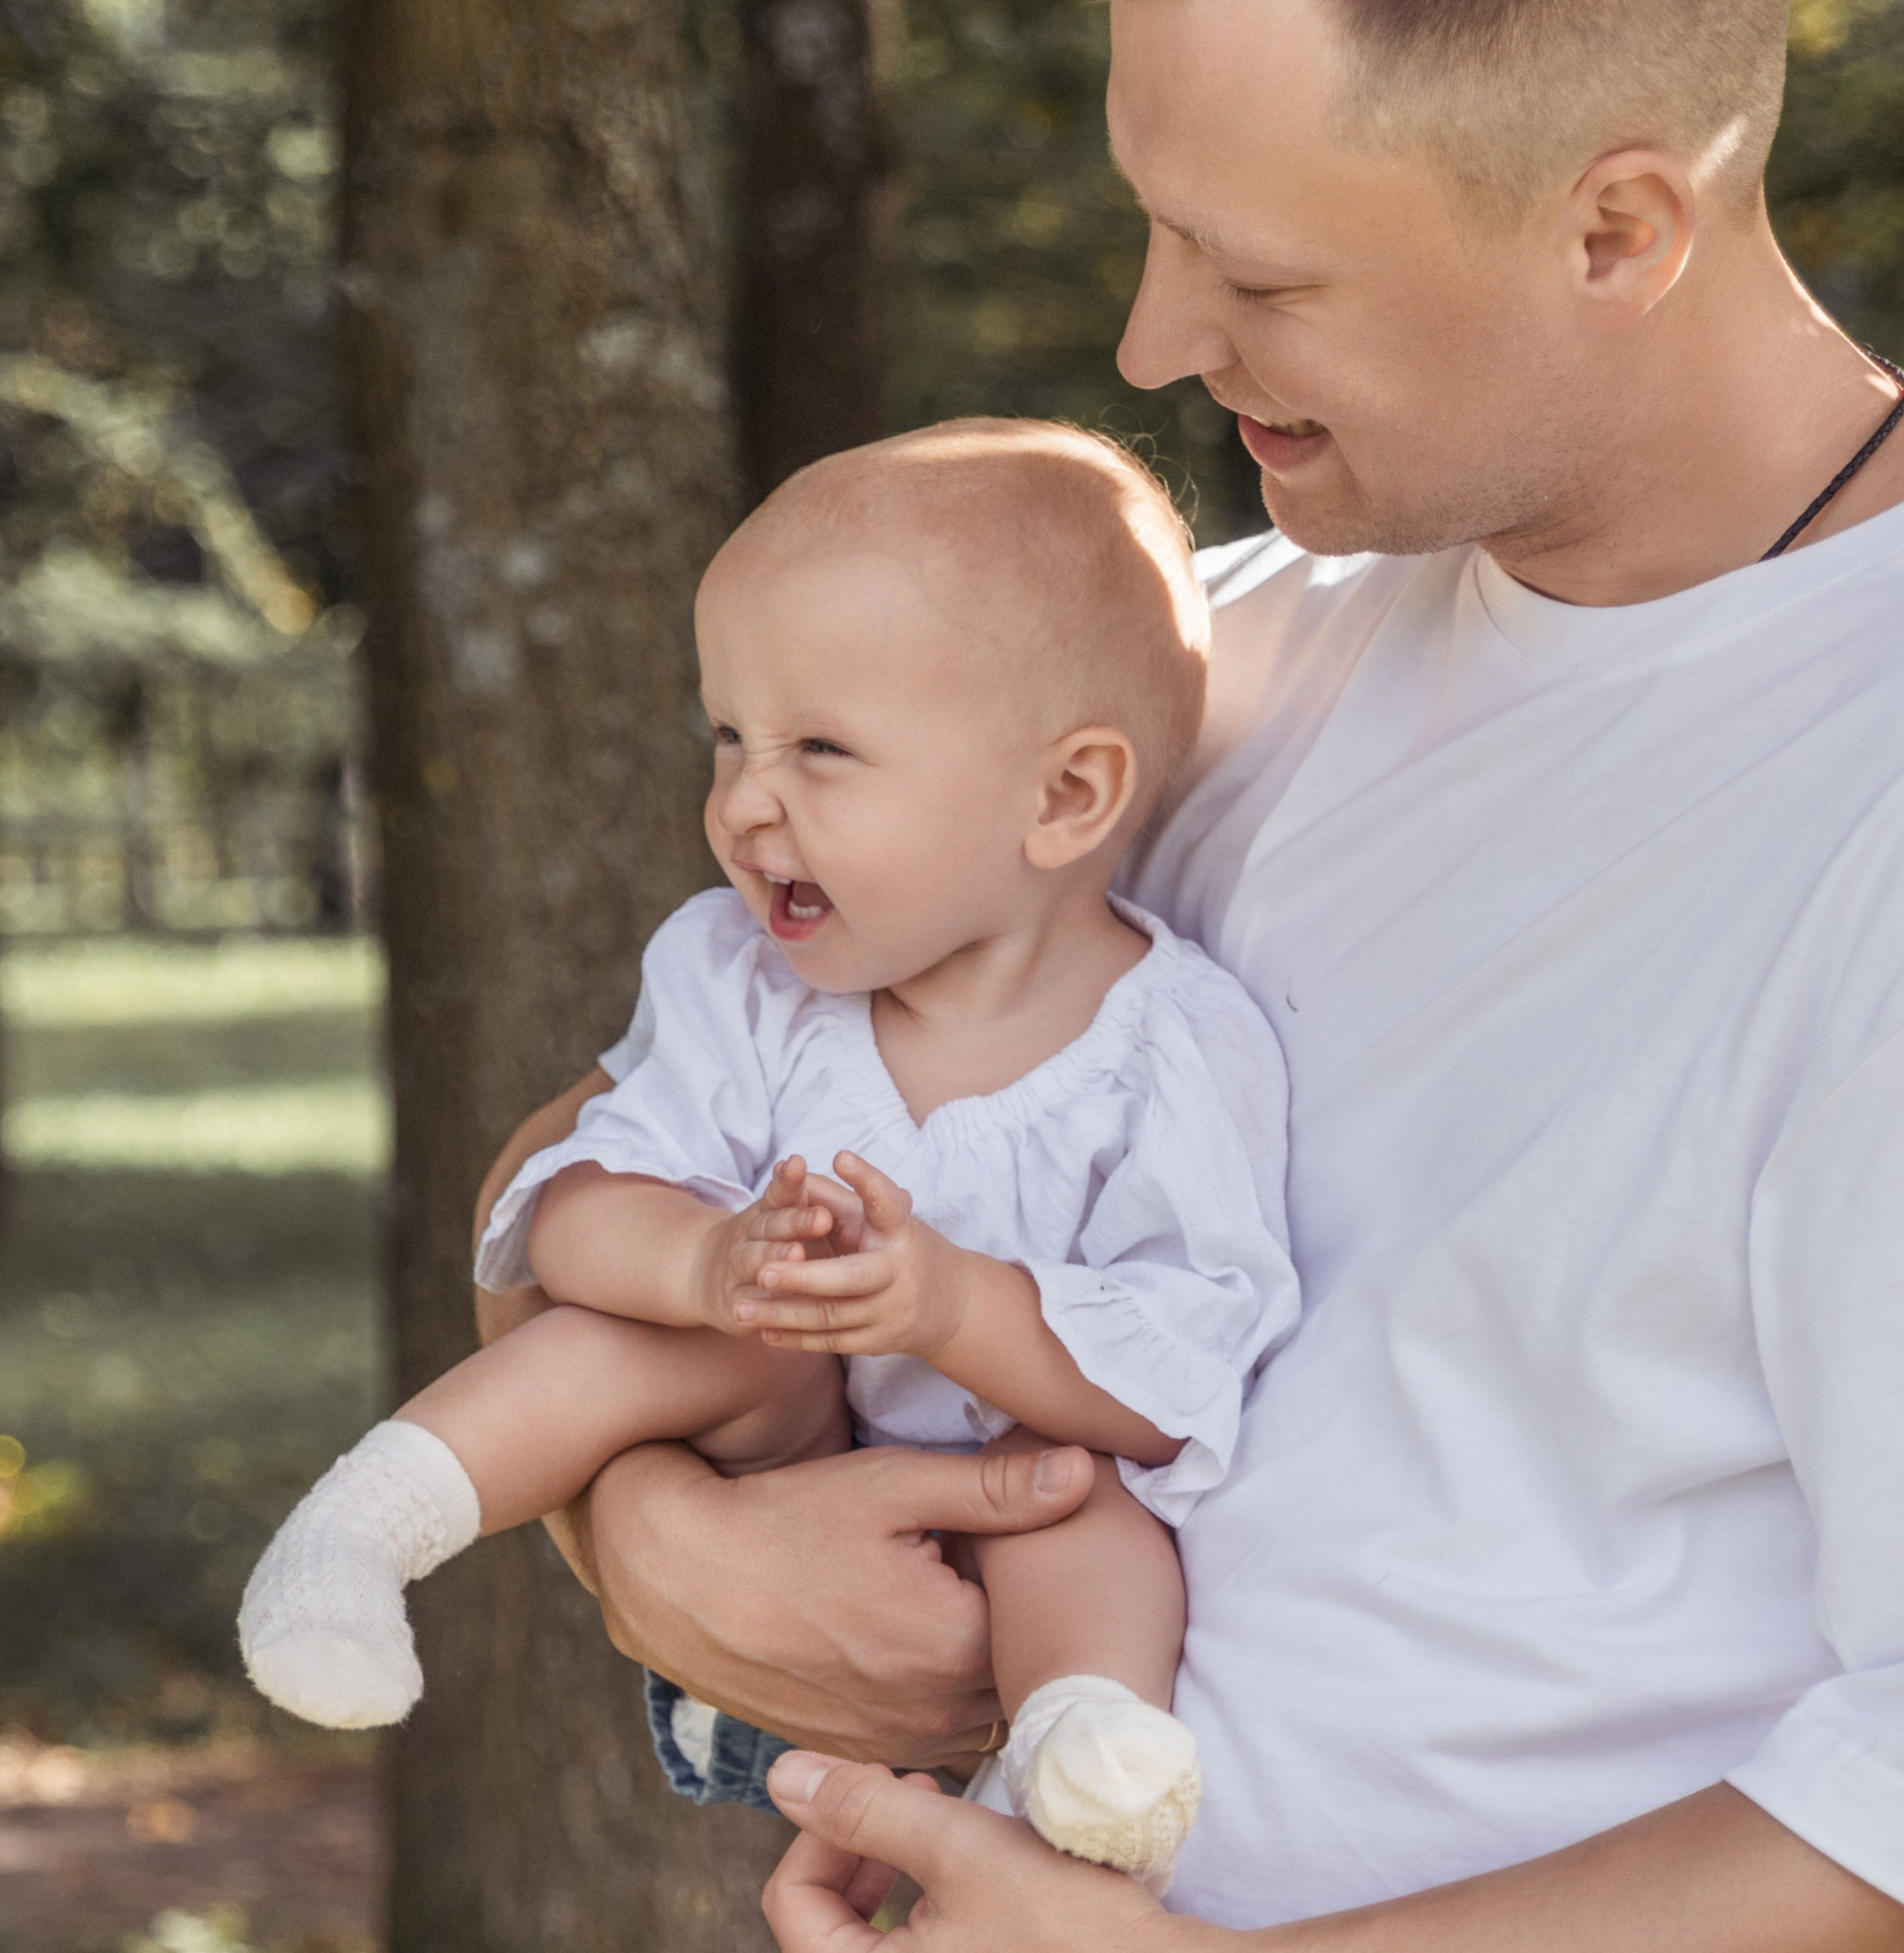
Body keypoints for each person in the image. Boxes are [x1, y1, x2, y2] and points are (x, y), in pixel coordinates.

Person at [486, 0, 1904, 1944]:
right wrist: (651, 1533)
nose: (1150, 344)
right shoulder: (1187, 662)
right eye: (1150, 224)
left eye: (1258, 273)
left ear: (1614, 231)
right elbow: (588, 1160)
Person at [237, 421, 1300, 1892]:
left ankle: (1079, 1741)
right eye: (729, 736)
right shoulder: (743, 983)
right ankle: (361, 1534)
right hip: (770, 1473)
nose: (742, 803)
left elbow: (1181, 1375)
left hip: (996, 1566)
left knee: (1085, 1502)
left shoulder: (1173, 1047)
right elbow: (566, 1211)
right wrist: (706, 1261)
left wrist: (952, 1308)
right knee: (672, 1336)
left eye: (821, 750)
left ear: (1064, 798)